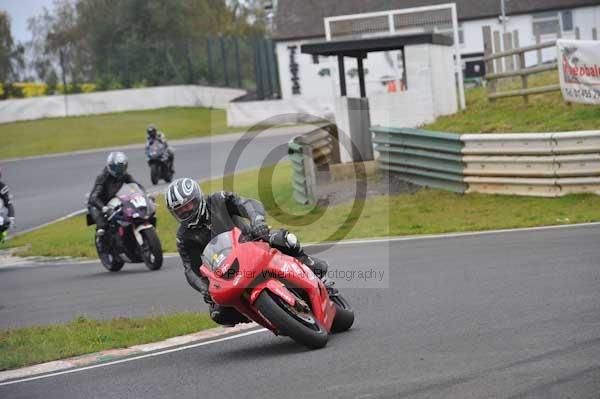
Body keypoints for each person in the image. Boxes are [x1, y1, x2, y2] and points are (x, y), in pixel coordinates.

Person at [165, 177, 329, 327]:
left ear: (198, 198)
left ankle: (309, 264)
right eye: (180, 210)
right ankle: (263, 313)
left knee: (284, 239)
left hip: (252, 242)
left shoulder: (218, 200)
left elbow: (247, 203)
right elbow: (190, 268)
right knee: (218, 313)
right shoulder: (184, 236)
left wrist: (257, 221)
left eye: (189, 205)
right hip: (227, 272)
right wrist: (203, 288)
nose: (186, 211)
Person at [88, 152, 141, 248]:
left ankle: (126, 237)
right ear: (110, 166)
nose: (120, 170)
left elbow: (136, 185)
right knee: (102, 226)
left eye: (122, 167)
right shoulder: (103, 177)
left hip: (112, 200)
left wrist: (143, 194)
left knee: (127, 214)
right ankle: (101, 243)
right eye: (117, 168)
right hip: (97, 203)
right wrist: (103, 208)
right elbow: (94, 197)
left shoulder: (125, 175)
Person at [0, 167, 15, 241]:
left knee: (5, 222)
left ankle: (2, 236)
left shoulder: (2, 186)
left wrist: (11, 218)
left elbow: (9, 204)